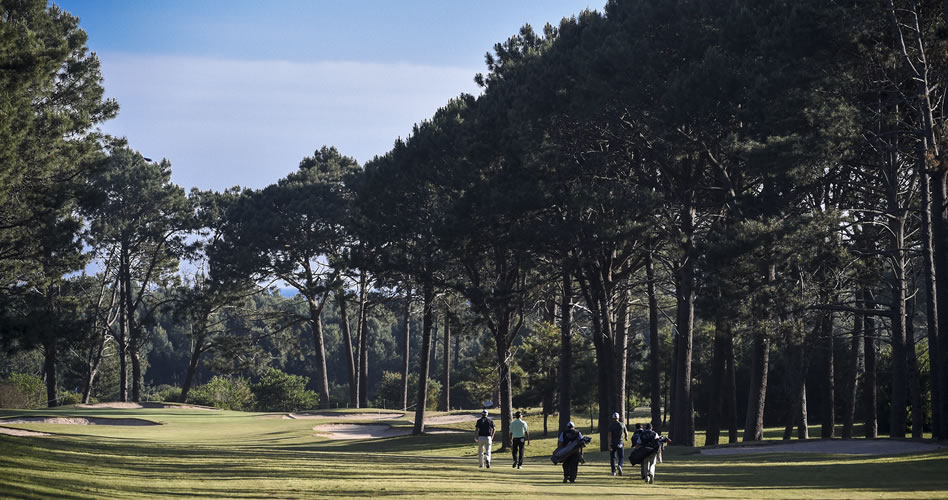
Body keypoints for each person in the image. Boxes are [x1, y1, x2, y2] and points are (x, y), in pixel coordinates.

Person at [606, 412, 628, 476]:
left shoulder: (611, 425)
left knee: (613, 457)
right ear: (618, 418)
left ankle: (613, 472)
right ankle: (620, 465)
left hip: (613, 443)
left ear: (613, 418)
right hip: (620, 442)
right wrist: (626, 437)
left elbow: (609, 435)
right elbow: (626, 432)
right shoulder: (622, 424)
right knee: (621, 457)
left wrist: (609, 444)